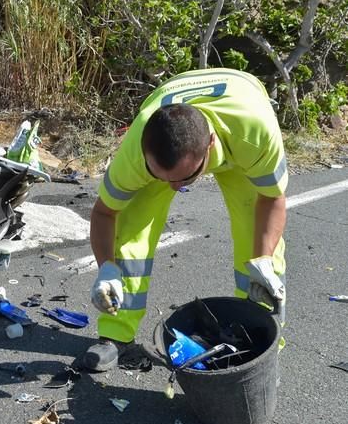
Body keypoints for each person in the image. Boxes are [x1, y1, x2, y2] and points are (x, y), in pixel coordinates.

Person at [84, 68, 287, 371]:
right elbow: (105, 212)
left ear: (211, 144)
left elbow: (272, 198)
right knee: (130, 227)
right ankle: (115, 334)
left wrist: (264, 259)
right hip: (169, 101)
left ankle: (259, 339)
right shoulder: (137, 150)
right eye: (161, 177)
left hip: (239, 115)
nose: (175, 189)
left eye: (185, 178)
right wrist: (107, 269)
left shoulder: (255, 132)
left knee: (256, 237)